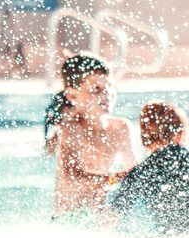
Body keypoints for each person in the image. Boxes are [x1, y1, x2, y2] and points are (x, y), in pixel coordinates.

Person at [104, 102, 189, 238]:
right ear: (179, 136)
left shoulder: (140, 172)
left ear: (145, 140)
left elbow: (113, 215)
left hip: (169, 236)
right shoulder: (187, 157)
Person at [43, 55, 140, 218]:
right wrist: (119, 177)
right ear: (72, 96)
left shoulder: (121, 128)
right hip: (68, 219)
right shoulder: (71, 129)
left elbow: (135, 171)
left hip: (98, 216)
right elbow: (73, 177)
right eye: (96, 89)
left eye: (109, 85)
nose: (107, 93)